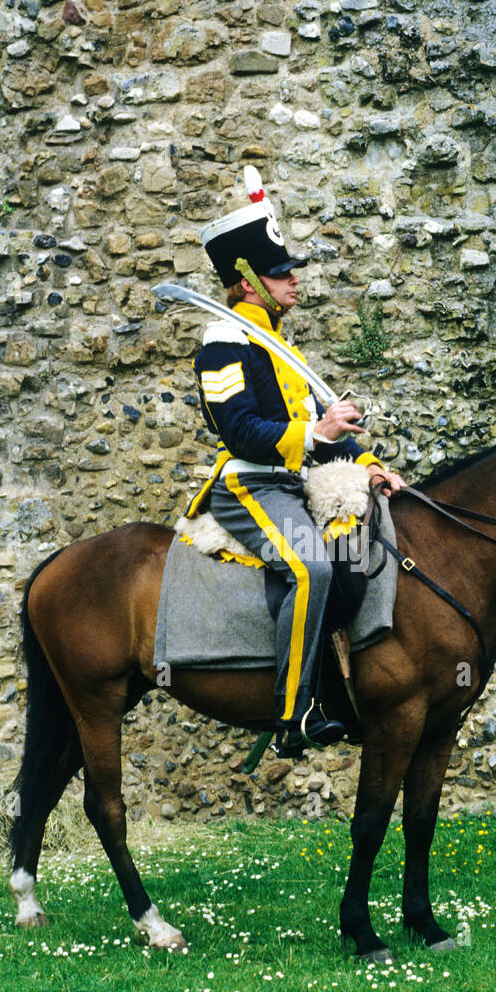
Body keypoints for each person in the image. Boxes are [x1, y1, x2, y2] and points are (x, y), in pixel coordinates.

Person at [184, 171, 406, 757]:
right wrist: (316, 431)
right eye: (282, 272)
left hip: (293, 484)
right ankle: (294, 714)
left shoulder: (283, 349)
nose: (294, 279)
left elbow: (327, 437)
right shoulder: (222, 342)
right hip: (248, 486)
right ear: (249, 282)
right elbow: (242, 432)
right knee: (313, 567)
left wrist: (370, 464)